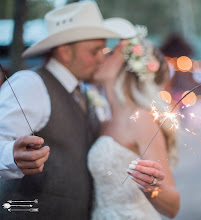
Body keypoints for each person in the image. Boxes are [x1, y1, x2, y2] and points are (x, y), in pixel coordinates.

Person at [0, 2, 160, 219]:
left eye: (103, 50)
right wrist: (11, 155)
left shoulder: (85, 93)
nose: (101, 58)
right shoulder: (30, 84)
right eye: (94, 51)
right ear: (65, 51)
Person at [88, 26, 180, 219]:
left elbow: (173, 206)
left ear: (128, 66)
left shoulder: (140, 119)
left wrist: (151, 187)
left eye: (111, 52)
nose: (101, 57)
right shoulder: (102, 118)